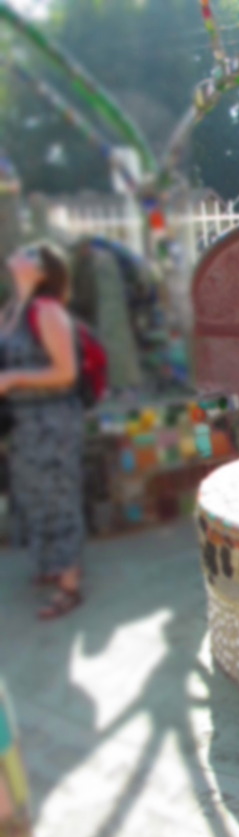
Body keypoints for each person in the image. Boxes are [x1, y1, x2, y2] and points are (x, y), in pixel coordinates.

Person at [0, 242, 85, 618]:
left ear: (43, 272)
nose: (21, 254)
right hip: (23, 421)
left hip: (52, 420)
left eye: (32, 254)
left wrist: (13, 378)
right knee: (34, 494)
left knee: (59, 496)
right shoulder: (12, 311)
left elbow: (66, 372)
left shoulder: (48, 311)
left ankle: (70, 584)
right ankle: (53, 565)